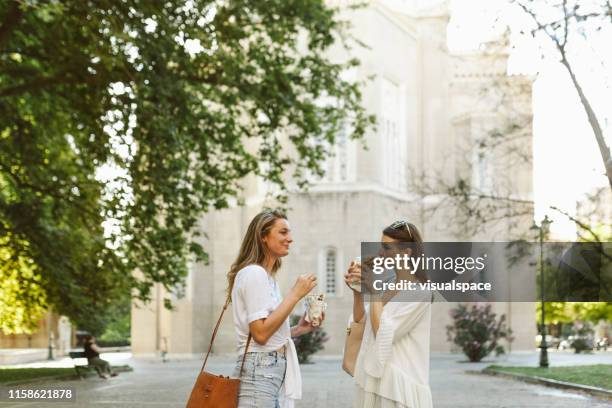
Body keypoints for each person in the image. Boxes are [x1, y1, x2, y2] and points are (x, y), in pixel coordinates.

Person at [228, 209, 322, 408]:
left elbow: (266, 332)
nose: (290, 239)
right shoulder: (254, 273)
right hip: (259, 371)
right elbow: (260, 334)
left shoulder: (268, 279)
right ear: (263, 236)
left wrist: (299, 329)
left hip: (267, 372)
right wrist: (295, 294)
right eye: (283, 232)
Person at [345, 221, 433, 408]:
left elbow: (383, 333)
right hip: (374, 380)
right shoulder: (386, 285)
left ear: (406, 253)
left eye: (386, 247)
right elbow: (363, 323)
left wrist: (373, 289)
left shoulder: (421, 292)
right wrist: (357, 291)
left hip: (399, 389)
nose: (380, 253)